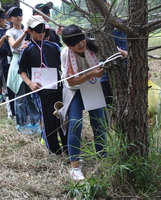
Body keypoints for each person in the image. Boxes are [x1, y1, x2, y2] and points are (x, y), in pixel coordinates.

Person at [59, 25, 107, 181]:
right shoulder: (66, 54)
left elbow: (120, 53)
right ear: (68, 45)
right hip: (74, 90)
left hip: (93, 87)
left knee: (99, 122)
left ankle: (103, 157)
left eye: (81, 39)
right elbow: (71, 81)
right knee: (75, 123)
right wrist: (91, 73)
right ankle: (75, 167)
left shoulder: (94, 44)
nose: (81, 44)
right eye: (75, 43)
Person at [18, 15, 67, 154]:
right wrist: (30, 84)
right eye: (37, 30)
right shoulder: (27, 49)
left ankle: (67, 148)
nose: (41, 33)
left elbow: (61, 65)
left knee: (63, 118)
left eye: (43, 30)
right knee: (48, 120)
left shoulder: (54, 46)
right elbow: (21, 70)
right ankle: (54, 150)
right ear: (29, 31)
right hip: (42, 91)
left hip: (58, 88)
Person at [6, 7, 41, 134]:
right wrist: (24, 36)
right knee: (19, 97)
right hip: (16, 63)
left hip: (27, 62)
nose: (18, 17)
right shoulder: (10, 32)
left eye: (20, 14)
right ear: (9, 19)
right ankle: (21, 124)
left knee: (30, 96)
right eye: (15, 15)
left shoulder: (25, 30)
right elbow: (14, 45)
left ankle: (34, 122)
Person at [0, 7, 15, 117]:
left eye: (2, 16)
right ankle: (11, 113)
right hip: (3, 62)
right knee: (7, 88)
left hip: (14, 61)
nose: (1, 19)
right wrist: (4, 37)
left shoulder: (12, 29)